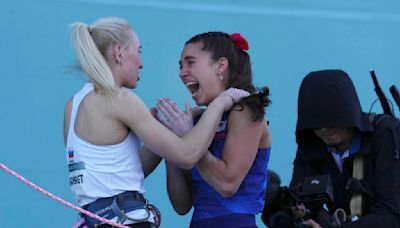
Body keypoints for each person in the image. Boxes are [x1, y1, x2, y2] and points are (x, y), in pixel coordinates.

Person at [64, 18, 249, 228]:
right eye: (138, 51)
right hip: (124, 220)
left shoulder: (74, 104)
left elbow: (123, 173)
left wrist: (163, 132)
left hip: (94, 220)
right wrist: (220, 103)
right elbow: (188, 155)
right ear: (119, 53)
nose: (141, 62)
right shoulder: (120, 99)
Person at [152, 31, 272, 228]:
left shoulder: (244, 109)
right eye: (181, 66)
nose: (182, 73)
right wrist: (172, 145)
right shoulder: (199, 119)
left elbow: (227, 185)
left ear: (220, 66)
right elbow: (181, 205)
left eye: (190, 63)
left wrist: (188, 137)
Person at [290, 69, 400, 227]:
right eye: (316, 124)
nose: (324, 129)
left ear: (349, 114)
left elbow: (393, 213)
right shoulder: (313, 142)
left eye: (332, 121)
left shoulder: (386, 135)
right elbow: (298, 197)